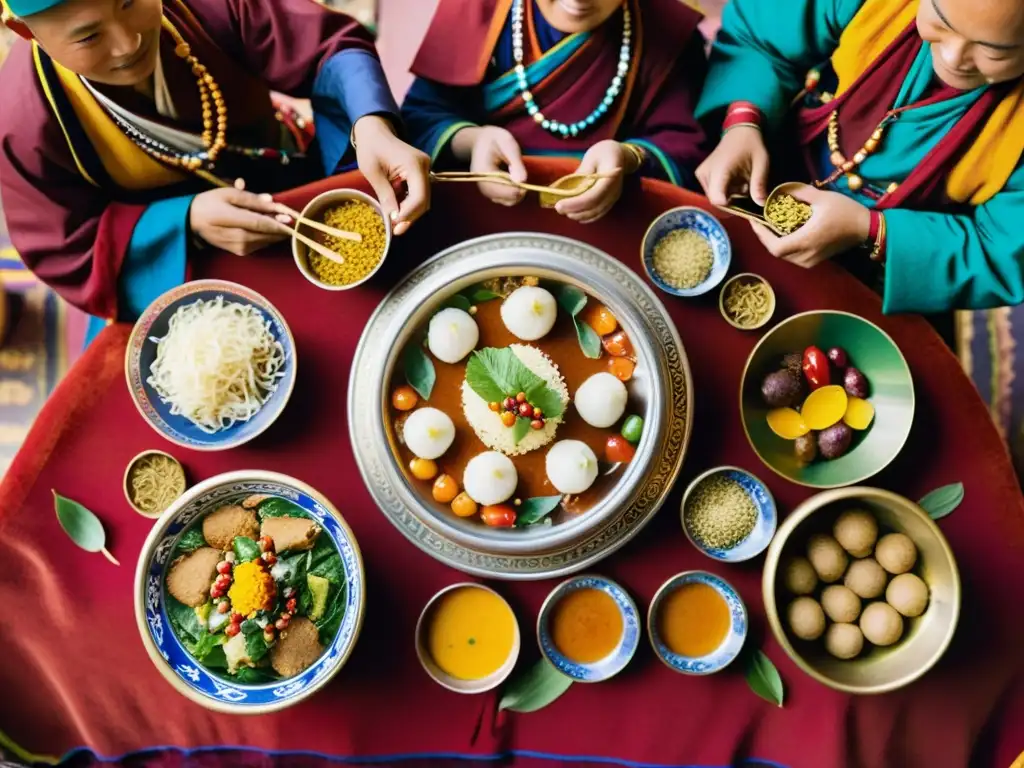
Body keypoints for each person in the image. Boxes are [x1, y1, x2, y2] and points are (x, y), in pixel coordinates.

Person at [0, 0, 431, 339]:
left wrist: (369, 121)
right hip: (188, 255)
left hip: (293, 172)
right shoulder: (21, 121)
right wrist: (184, 220)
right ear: (25, 32)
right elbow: (67, 249)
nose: (127, 42)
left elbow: (325, 48)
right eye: (89, 36)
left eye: (130, 1)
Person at [694, 0, 1024, 315]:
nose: (953, 58)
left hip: (891, 259)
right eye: (940, 20)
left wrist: (867, 228)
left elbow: (1000, 253)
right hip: (772, 149)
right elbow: (761, 37)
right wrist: (743, 121)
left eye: (994, 50)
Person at [400, 0, 709, 223]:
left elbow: (684, 148)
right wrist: (472, 141)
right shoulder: (475, 8)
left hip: (607, 221)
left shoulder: (668, 31)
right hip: (475, 214)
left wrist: (628, 158)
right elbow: (421, 118)